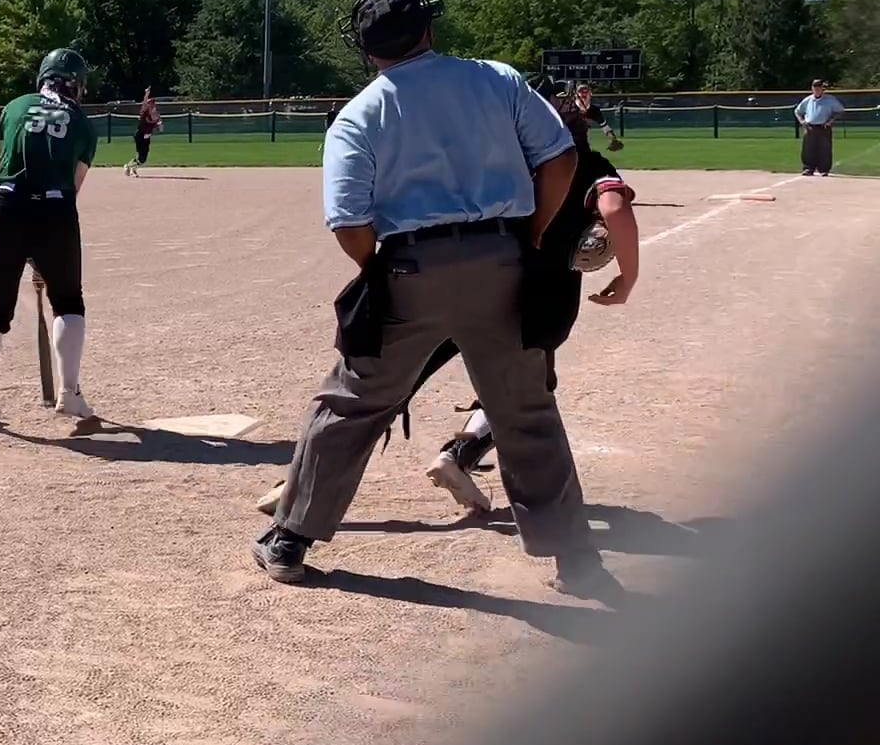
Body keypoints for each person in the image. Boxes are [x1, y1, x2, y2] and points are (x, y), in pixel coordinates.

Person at [251, 0, 616, 600]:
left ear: (368, 49)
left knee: (352, 403)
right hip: (504, 260)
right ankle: (577, 560)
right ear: (428, 29)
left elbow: (349, 223)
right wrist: (530, 233)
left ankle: (290, 541)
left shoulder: (360, 113)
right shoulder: (497, 79)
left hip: (410, 269)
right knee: (525, 410)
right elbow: (559, 159)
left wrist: (382, 268)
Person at [255, 74, 645, 517]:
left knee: (383, 388)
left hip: (456, 278)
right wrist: (628, 277)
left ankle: (301, 486)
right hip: (531, 297)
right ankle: (471, 466)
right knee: (524, 396)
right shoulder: (586, 165)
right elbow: (614, 207)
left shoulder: (503, 158)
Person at [0, 48, 100, 428]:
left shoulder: (15, 106)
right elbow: (74, 186)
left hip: (4, 205)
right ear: (76, 85)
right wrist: (44, 253)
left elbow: (2, 160)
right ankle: (69, 394)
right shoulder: (83, 123)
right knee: (68, 302)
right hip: (55, 210)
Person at [795, 80, 844, 177]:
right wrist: (802, 121)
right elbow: (797, 111)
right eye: (815, 87)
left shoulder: (830, 100)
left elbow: (840, 111)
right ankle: (808, 168)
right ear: (812, 88)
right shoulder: (808, 100)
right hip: (810, 127)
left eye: (819, 87)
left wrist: (831, 120)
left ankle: (824, 169)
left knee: (825, 149)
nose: (816, 89)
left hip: (823, 127)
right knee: (808, 149)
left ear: (822, 88)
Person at [124, 88, 163, 176]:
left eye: (153, 104)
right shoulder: (144, 112)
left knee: (143, 159)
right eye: (150, 103)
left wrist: (160, 125)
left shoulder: (157, 115)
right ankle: (129, 166)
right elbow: (144, 103)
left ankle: (131, 167)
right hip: (140, 135)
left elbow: (160, 128)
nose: (152, 105)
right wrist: (146, 94)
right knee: (140, 155)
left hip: (147, 137)